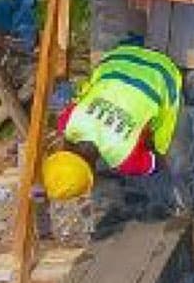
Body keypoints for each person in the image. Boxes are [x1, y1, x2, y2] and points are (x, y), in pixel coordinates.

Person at [41, 38, 186, 202]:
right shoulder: (67, 122)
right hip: (121, 57)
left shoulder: (124, 157)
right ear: (60, 151)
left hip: (164, 72)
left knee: (172, 159)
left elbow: (154, 165)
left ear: (92, 171)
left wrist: (139, 148)